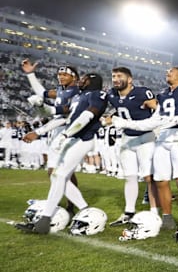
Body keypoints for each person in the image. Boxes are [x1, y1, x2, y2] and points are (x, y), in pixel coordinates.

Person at [112, 67, 178, 230]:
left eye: (171, 71)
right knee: (161, 180)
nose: (167, 73)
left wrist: (175, 120)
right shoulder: (163, 95)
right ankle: (167, 218)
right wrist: (128, 124)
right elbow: (153, 121)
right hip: (162, 137)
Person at [16, 73, 108, 233]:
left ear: (92, 81)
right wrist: (40, 105)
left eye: (84, 79)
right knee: (56, 176)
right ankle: (85, 209)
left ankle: (45, 220)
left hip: (83, 139)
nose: (80, 80)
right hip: (73, 138)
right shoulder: (77, 98)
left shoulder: (96, 94)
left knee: (59, 175)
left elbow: (88, 115)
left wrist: (66, 134)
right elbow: (54, 112)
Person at [21, 60, 82, 214]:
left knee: (55, 171)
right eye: (59, 74)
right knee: (62, 172)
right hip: (56, 132)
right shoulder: (62, 90)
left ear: (74, 77)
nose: (60, 77)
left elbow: (65, 117)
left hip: (67, 132)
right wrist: (30, 75)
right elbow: (42, 93)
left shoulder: (76, 93)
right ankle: (69, 204)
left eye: (64, 74)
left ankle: (72, 205)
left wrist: (38, 132)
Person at [103, 67, 160, 226]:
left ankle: (154, 212)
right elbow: (121, 108)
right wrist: (110, 117)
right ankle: (129, 212)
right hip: (127, 138)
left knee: (148, 176)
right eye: (113, 76)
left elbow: (159, 110)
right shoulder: (111, 94)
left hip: (145, 137)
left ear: (130, 79)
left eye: (119, 76)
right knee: (130, 176)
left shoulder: (142, 93)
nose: (115, 79)